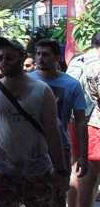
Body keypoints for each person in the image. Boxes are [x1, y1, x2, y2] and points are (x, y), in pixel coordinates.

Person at [0, 37, 69, 207]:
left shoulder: (42, 91)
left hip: (37, 170)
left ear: (22, 57)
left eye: (9, 58)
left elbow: (53, 133)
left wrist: (61, 170)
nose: (3, 62)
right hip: (1, 171)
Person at [29, 38, 88, 206]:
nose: (40, 58)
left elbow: (80, 121)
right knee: (33, 197)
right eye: (38, 54)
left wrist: (83, 156)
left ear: (57, 57)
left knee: (58, 195)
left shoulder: (72, 84)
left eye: (45, 54)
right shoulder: (27, 81)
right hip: (31, 147)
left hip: (60, 147)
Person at [72, 32, 100, 207]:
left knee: (79, 169)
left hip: (77, 120)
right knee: (88, 174)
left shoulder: (79, 60)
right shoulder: (97, 64)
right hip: (91, 123)